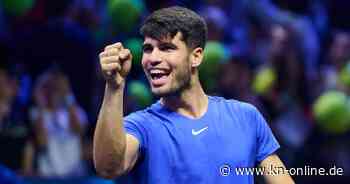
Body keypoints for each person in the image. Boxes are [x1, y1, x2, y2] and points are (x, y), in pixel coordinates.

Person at [93, 6, 294, 184]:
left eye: (166, 48)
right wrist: (114, 86)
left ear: (196, 56)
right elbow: (108, 168)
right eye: (148, 49)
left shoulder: (246, 116)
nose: (153, 58)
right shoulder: (141, 126)